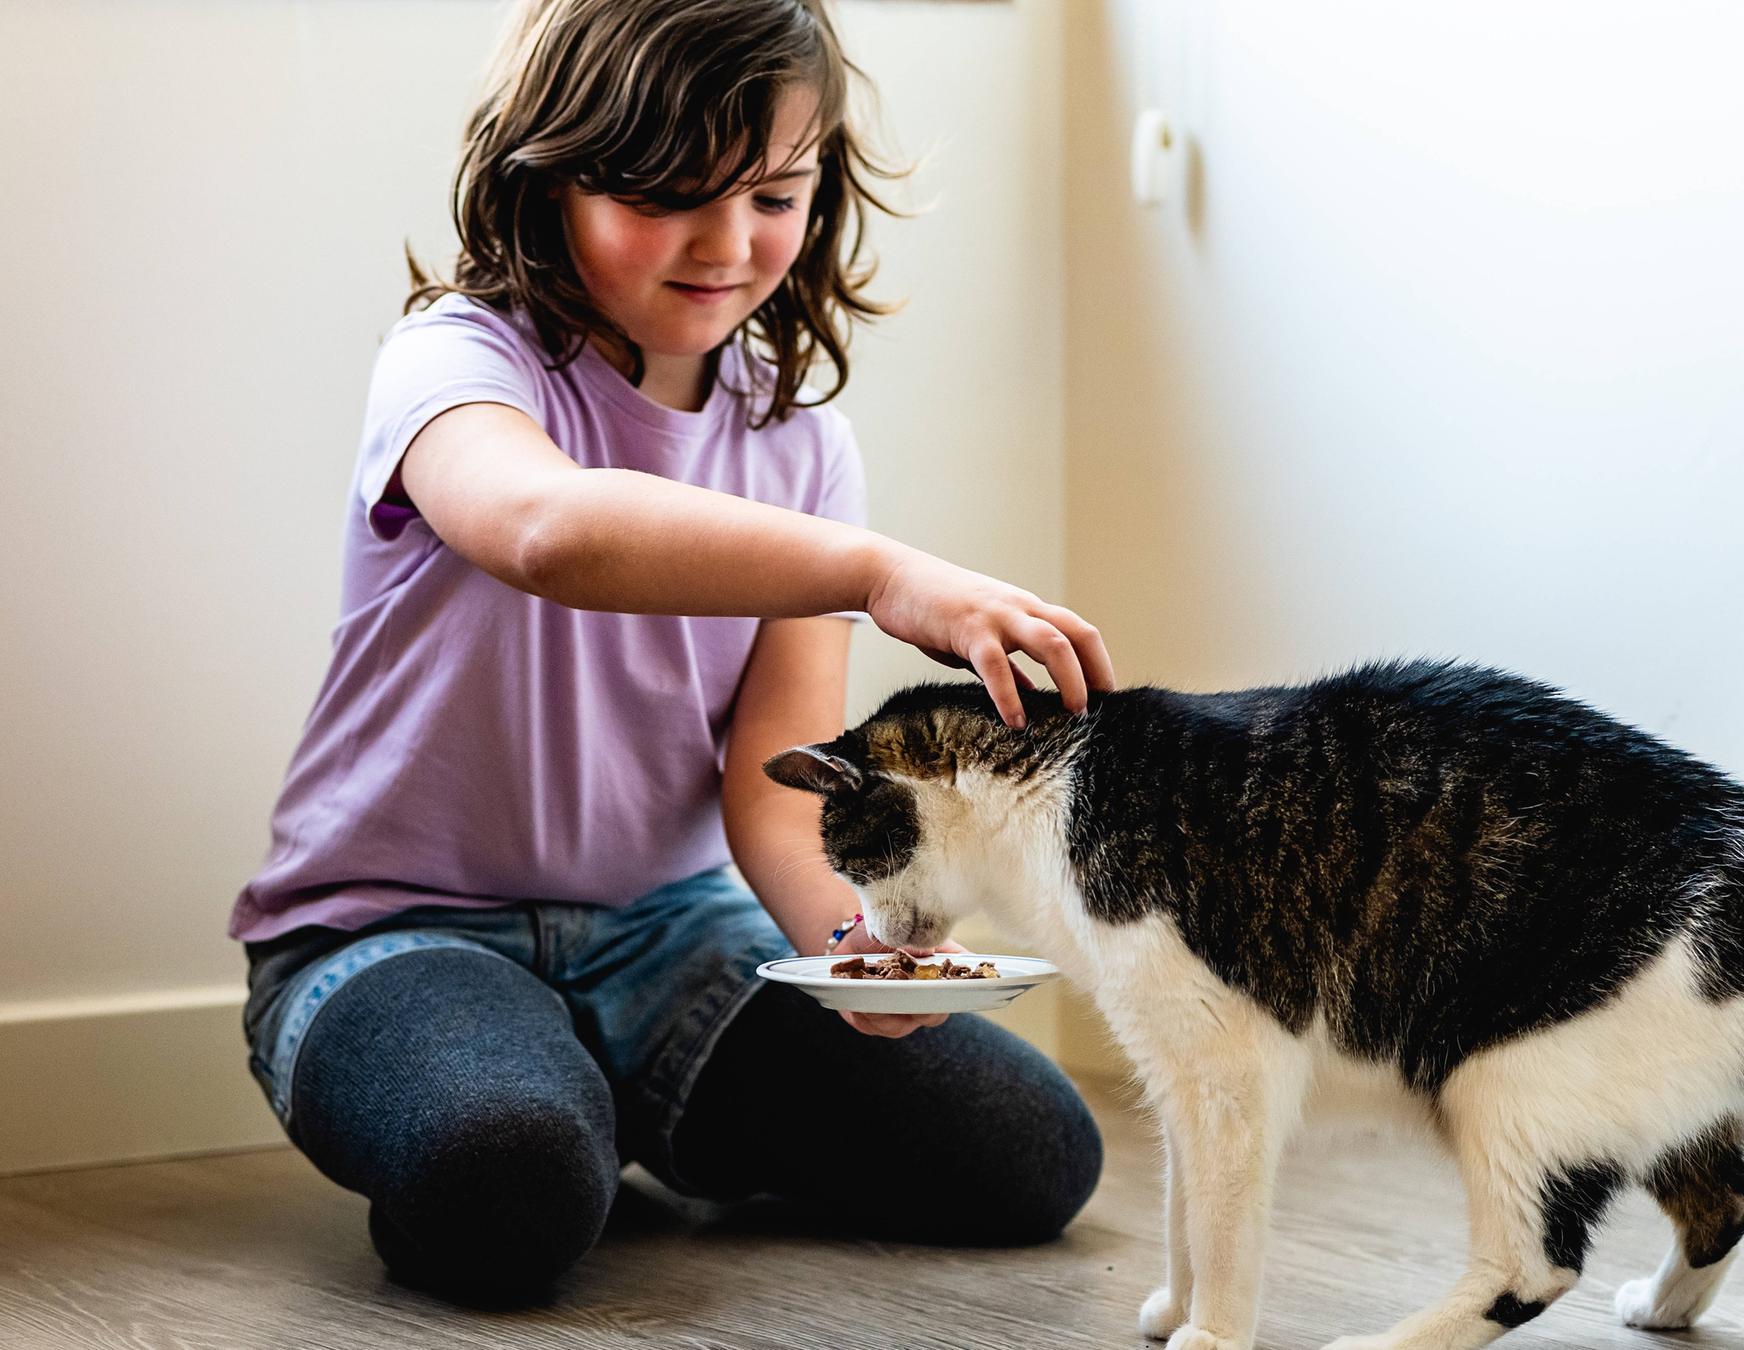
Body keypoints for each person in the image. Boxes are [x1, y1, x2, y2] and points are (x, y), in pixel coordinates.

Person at [232, 0, 1108, 1303]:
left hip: (665, 937)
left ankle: (625, 1093)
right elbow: (546, 529)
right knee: (505, 1177)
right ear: (551, 176)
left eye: (773, 192)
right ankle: (557, 1108)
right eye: (664, 191)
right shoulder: (459, 361)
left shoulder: (802, 442)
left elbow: (773, 772)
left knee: (1033, 1150)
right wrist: (880, 573)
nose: (727, 241)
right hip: (392, 934)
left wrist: (852, 943)